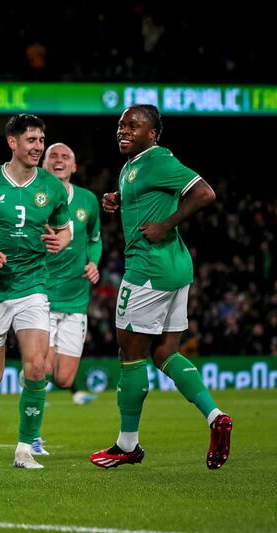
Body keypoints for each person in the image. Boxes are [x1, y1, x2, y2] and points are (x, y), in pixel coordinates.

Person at [91, 104, 232, 469]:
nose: (123, 130)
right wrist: (121, 200)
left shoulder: (157, 160)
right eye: (121, 125)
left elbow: (204, 193)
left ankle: (127, 445)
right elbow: (148, 195)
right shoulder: (133, 166)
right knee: (164, 353)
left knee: (131, 355)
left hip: (148, 269)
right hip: (175, 268)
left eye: (133, 126)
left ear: (153, 134)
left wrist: (166, 224)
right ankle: (215, 416)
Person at [0, 114, 71, 470]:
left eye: (41, 140)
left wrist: (58, 242)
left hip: (33, 284)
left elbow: (65, 231)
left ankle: (24, 448)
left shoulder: (52, 187)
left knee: (38, 367)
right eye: (31, 140)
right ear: (13, 142)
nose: (38, 147)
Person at [29, 142, 102, 456]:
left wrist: (94, 262)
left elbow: (96, 239)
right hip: (41, 294)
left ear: (74, 167)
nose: (59, 160)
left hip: (75, 299)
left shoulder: (87, 200)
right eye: (53, 156)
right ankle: (31, 436)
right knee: (41, 369)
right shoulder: (33, 195)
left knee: (63, 377)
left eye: (65, 157)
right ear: (44, 164)